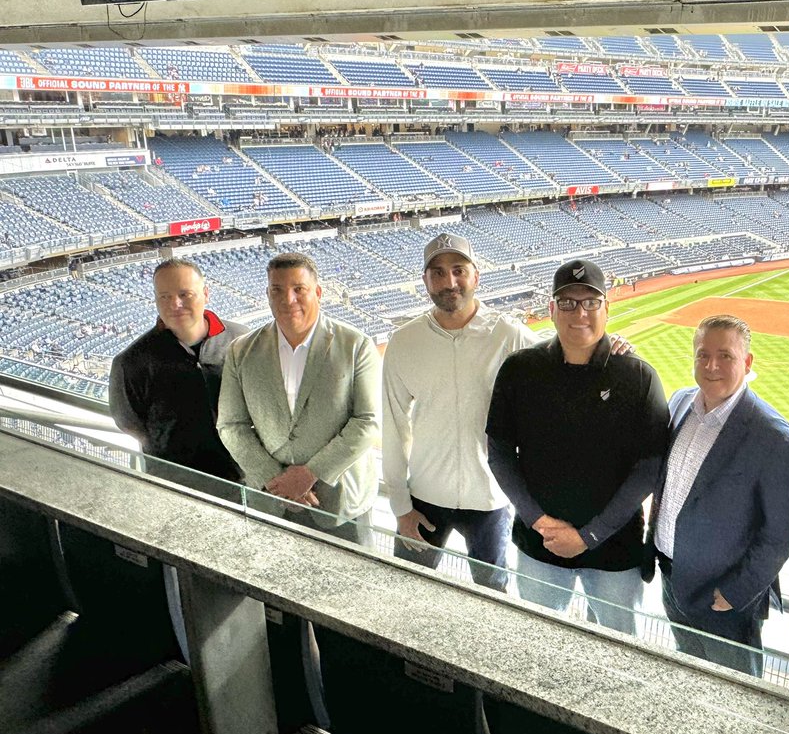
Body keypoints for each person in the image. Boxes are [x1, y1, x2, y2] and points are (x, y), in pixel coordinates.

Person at [487, 259, 668, 634]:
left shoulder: (637, 376)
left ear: (606, 308)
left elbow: (649, 466)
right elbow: (500, 452)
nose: (579, 313)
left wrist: (589, 536)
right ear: (552, 310)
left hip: (615, 552)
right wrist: (538, 520)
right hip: (540, 547)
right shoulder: (520, 369)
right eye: (567, 303)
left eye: (590, 302)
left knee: (620, 655)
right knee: (538, 647)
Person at [645, 315, 789, 676]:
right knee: (689, 675)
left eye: (725, 356)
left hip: (724, 600)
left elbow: (782, 532)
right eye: (702, 355)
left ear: (747, 363)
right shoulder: (682, 402)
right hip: (672, 581)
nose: (711, 366)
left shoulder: (772, 435)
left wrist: (734, 593)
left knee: (734, 696)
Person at [382, 233, 537, 591]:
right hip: (423, 498)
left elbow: (561, 363)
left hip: (490, 499)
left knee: (492, 599)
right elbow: (393, 427)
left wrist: (614, 348)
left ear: (475, 276)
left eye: (458, 270)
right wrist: (400, 507)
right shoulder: (405, 341)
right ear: (425, 281)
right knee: (404, 592)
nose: (449, 282)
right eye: (437, 272)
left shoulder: (509, 334)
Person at [218, 253, 380, 544]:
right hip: (272, 500)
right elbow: (230, 425)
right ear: (267, 294)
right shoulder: (240, 351)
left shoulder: (356, 346)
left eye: (298, 289)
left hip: (340, 503)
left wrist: (311, 473)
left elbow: (368, 421)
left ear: (317, 292)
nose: (287, 299)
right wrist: (274, 480)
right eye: (276, 290)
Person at [108, 258, 247, 490]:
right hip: (175, 485)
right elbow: (129, 422)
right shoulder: (131, 361)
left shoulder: (241, 341)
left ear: (205, 294)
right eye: (164, 296)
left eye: (185, 294)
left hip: (243, 480)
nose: (175, 304)